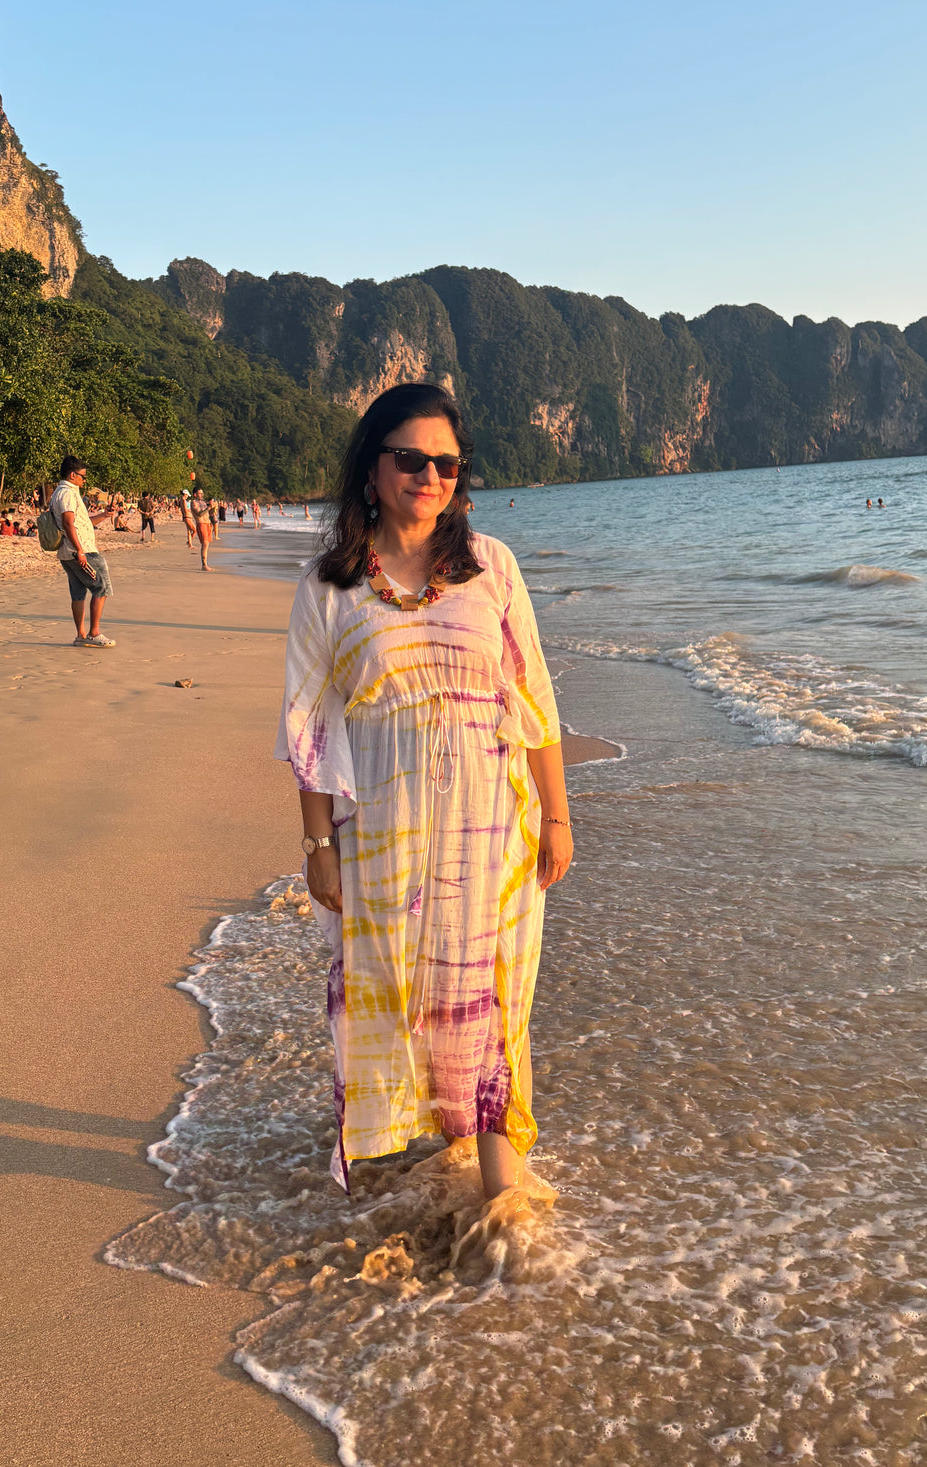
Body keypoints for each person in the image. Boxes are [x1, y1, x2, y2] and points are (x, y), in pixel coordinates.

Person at [276, 383, 572, 1202]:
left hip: (492, 821)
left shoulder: (491, 567)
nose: (430, 476)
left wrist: (556, 813)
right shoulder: (328, 587)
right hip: (382, 826)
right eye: (411, 458)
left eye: (447, 463)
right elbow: (308, 726)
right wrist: (318, 845)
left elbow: (534, 696)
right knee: (405, 988)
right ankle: (434, 1134)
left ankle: (502, 1189)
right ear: (372, 469)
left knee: (495, 993)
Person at [48, 456, 117, 647]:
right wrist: (80, 550)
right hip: (81, 551)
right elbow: (68, 523)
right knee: (101, 588)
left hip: (67, 552)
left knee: (78, 593)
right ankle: (94, 633)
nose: (84, 480)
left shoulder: (60, 492)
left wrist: (104, 515)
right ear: (72, 475)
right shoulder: (67, 493)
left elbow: (81, 523)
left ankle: (81, 635)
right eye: (82, 476)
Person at [190, 487, 212, 571]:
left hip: (207, 523)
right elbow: (200, 514)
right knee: (205, 544)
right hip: (201, 523)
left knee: (207, 544)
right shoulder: (194, 502)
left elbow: (208, 513)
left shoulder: (203, 502)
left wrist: (212, 507)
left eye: (202, 493)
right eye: (200, 493)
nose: (202, 495)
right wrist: (208, 508)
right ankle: (204, 565)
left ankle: (205, 564)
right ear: (195, 494)